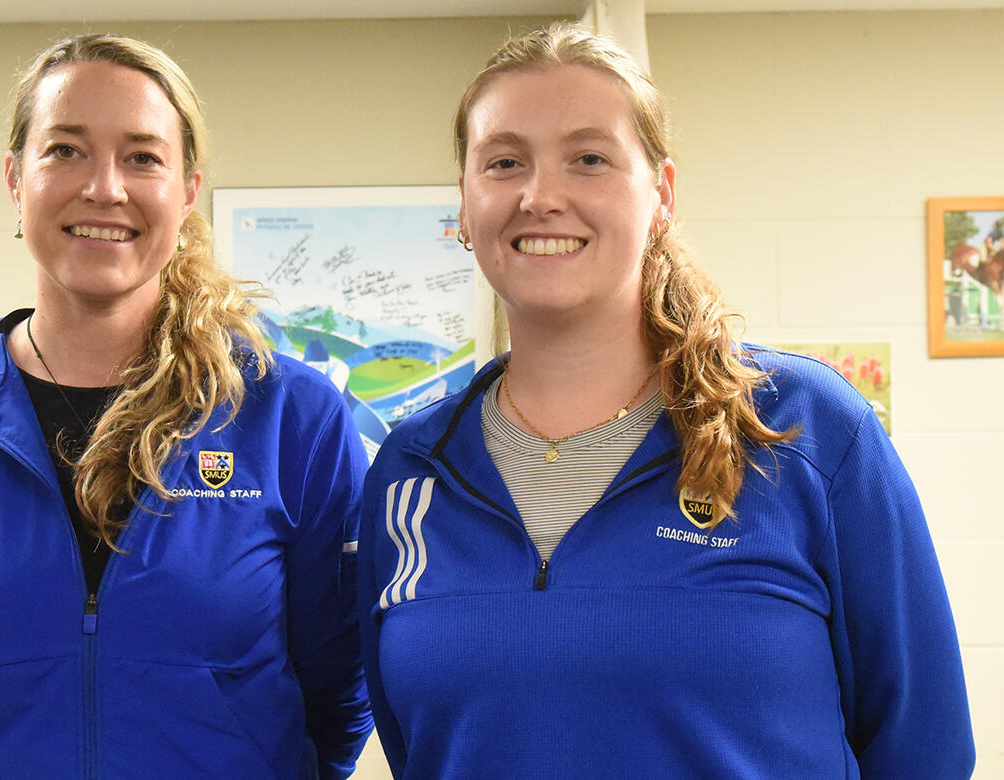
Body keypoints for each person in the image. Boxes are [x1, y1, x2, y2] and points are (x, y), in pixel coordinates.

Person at [357, 21, 974, 779]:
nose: (540, 195)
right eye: (504, 162)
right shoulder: (412, 469)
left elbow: (926, 749)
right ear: (464, 203)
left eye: (589, 159)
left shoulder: (802, 426)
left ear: (662, 195)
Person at [0, 34, 371, 779]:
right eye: (66, 151)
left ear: (186, 191)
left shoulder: (292, 417)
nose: (105, 187)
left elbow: (339, 691)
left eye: (143, 156)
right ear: (16, 180)